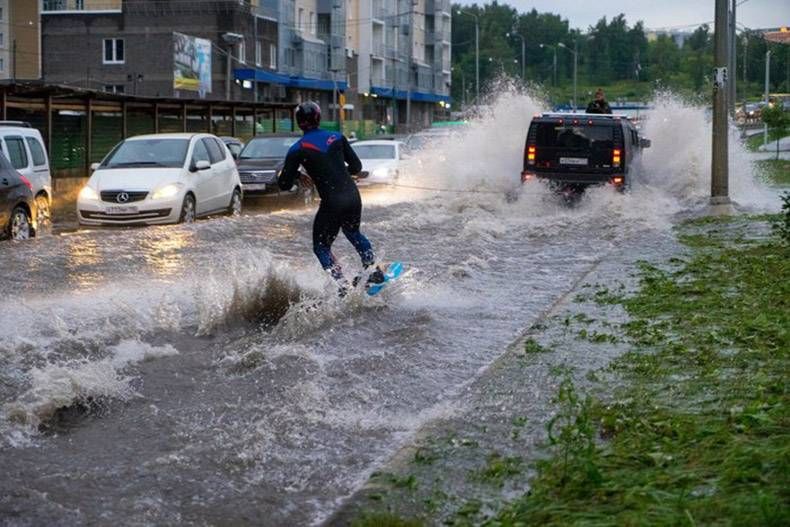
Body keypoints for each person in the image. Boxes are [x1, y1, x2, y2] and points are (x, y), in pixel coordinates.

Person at [278, 101, 383, 295]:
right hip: (352, 196)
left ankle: (342, 286)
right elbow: (356, 167)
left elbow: (284, 184)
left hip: (332, 203)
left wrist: (298, 176)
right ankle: (373, 270)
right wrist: (339, 171)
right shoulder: (337, 137)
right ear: (318, 118)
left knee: (321, 246)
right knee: (353, 232)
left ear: (298, 122)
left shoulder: (297, 149)